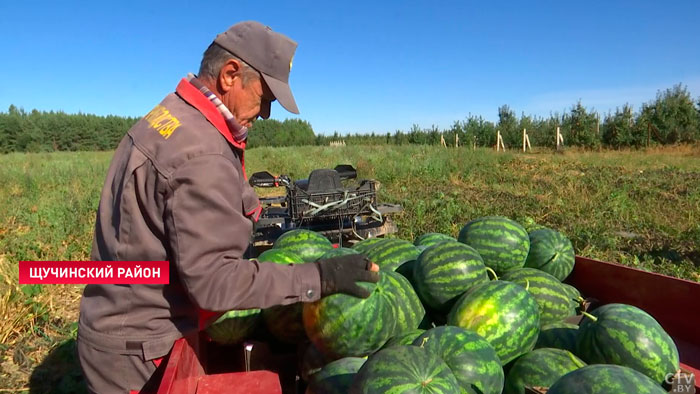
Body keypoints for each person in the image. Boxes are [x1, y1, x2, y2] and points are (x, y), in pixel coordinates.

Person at [77, 21, 379, 394]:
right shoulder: (202, 153)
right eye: (266, 97)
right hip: (139, 350)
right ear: (230, 75)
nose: (267, 113)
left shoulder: (170, 117)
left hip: (116, 322)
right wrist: (321, 278)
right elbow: (215, 284)